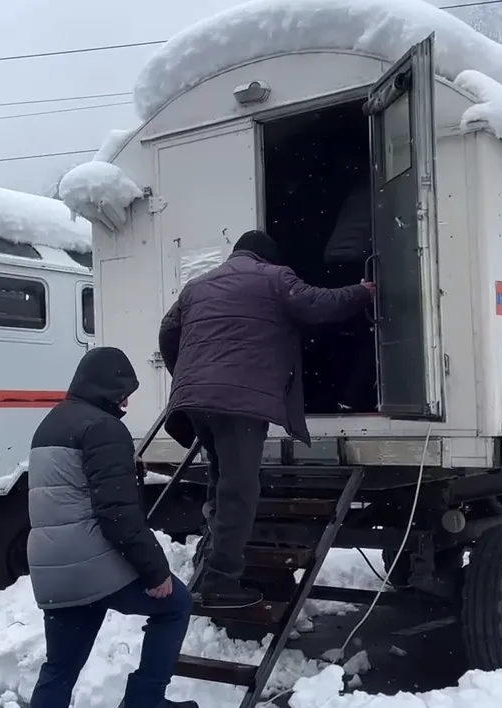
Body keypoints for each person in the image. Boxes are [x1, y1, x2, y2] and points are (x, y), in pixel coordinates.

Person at [158, 230, 374, 609]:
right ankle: (221, 581)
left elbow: (167, 331)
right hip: (239, 403)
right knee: (240, 492)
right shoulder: (276, 277)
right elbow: (317, 304)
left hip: (196, 403)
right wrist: (363, 292)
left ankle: (209, 568)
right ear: (268, 257)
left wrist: (188, 377)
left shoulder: (198, 285)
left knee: (220, 483)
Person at [26, 346, 197, 708]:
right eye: (123, 393)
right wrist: (155, 571)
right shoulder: (104, 428)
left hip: (51, 568)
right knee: (176, 603)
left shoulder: (51, 422)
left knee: (60, 667)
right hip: (89, 561)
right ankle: (146, 700)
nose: (126, 402)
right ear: (106, 388)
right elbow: (117, 512)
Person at [323, 176, 379, 412]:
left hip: (333, 259)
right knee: (369, 332)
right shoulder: (380, 191)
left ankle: (339, 394)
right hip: (358, 260)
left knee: (341, 327)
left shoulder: (355, 193)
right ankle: (352, 396)